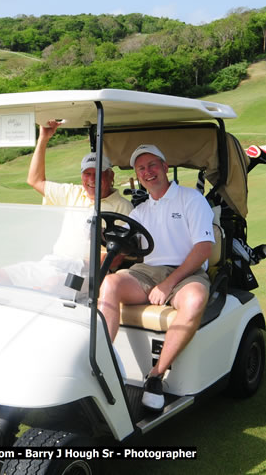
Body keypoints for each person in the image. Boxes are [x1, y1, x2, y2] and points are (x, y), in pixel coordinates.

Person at [98, 144, 215, 411]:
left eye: (152, 165)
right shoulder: (139, 212)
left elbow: (203, 249)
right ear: (138, 176)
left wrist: (168, 283)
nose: (147, 172)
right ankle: (102, 362)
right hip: (147, 272)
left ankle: (155, 376)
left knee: (195, 300)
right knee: (111, 283)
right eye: (141, 168)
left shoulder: (191, 199)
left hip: (186, 272)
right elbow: (124, 248)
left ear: (164, 167)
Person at [0, 120, 132, 298]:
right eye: (87, 174)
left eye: (98, 174)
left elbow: (117, 256)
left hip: (90, 275)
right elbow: (35, 180)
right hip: (53, 264)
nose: (92, 180)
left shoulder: (123, 207)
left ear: (111, 176)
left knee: (53, 286)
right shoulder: (72, 193)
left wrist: (79, 264)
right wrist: (43, 139)